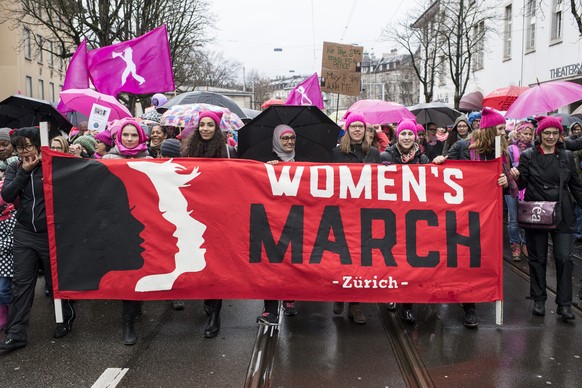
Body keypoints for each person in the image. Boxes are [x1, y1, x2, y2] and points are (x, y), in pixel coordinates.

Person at [434, 107, 514, 328]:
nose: (504, 133)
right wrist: (440, 161)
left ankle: (473, 295)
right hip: (461, 214)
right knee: (463, 259)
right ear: (489, 130)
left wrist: (506, 184)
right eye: (500, 128)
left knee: (480, 259)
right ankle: (469, 305)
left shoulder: (501, 153)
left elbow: (511, 186)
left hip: (488, 217)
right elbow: (442, 175)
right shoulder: (461, 147)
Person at [0, 127, 76, 350]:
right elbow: (7, 195)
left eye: (28, 146)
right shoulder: (15, 167)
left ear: (38, 145)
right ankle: (16, 334)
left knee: (56, 284)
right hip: (24, 233)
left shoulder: (52, 165)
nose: (24, 152)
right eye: (19, 148)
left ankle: (64, 319)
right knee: (21, 285)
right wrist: (24, 171)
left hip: (51, 233)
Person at [512, 116, 582, 320]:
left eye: (554, 133)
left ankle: (564, 303)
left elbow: (576, 186)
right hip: (537, 213)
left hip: (563, 214)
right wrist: (515, 177)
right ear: (539, 134)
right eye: (546, 133)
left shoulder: (567, 156)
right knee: (537, 258)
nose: (551, 137)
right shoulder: (528, 156)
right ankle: (539, 299)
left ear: (560, 135)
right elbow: (521, 185)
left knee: (564, 258)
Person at [181, 110, 236, 338]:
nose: (205, 128)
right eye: (202, 124)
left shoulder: (228, 151)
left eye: (210, 125)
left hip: (218, 217)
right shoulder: (187, 151)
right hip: (194, 215)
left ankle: (215, 313)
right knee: (197, 259)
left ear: (217, 129)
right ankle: (204, 296)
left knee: (215, 263)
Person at [103, 118, 150, 345]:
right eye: (125, 135)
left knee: (141, 270)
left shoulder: (150, 160)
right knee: (127, 272)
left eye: (133, 135)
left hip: (144, 224)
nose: (129, 139)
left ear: (140, 137)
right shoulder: (108, 159)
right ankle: (128, 323)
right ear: (118, 137)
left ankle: (137, 305)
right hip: (118, 225)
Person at [331, 113, 381, 324]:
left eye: (361, 127)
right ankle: (339, 294)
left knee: (360, 260)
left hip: (365, 214)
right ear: (348, 130)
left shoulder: (375, 154)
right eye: (354, 127)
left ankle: (356, 304)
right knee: (340, 258)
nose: (358, 130)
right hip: (341, 213)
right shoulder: (335, 153)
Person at [381, 119, 430, 325]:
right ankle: (392, 293)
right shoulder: (386, 156)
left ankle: (407, 305)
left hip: (414, 218)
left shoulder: (422, 157)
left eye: (410, 134)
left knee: (410, 260)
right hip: (391, 216)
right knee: (392, 258)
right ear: (397, 136)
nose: (407, 138)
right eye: (403, 134)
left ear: (415, 137)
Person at [256, 125, 299, 326]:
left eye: (292, 138)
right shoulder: (267, 160)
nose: (289, 142)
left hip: (298, 219)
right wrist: (267, 169)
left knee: (293, 260)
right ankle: (270, 309)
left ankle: (290, 297)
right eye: (285, 139)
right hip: (273, 220)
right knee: (271, 263)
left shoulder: (304, 160)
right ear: (276, 141)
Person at [506, 121, 534, 260]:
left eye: (530, 134)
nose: (527, 136)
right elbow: (506, 166)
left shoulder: (534, 149)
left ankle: (525, 243)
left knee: (526, 218)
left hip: (527, 187)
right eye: (525, 133)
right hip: (512, 187)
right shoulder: (511, 148)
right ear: (518, 133)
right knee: (513, 219)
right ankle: (514, 243)